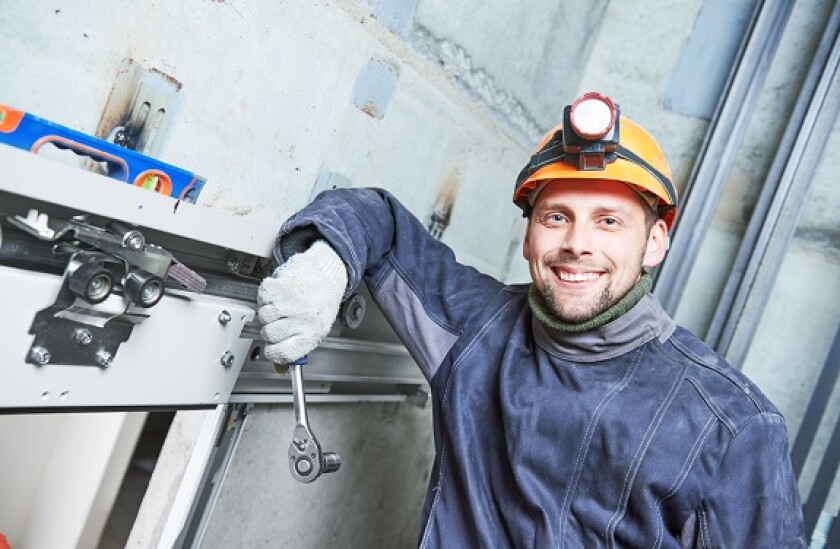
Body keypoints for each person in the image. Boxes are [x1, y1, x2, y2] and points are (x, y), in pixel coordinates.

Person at [257, 92, 805, 547]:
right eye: (557, 217)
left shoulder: (733, 427)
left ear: (655, 242)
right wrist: (327, 263)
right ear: (528, 235)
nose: (576, 245)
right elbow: (381, 219)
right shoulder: (478, 329)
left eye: (609, 221)